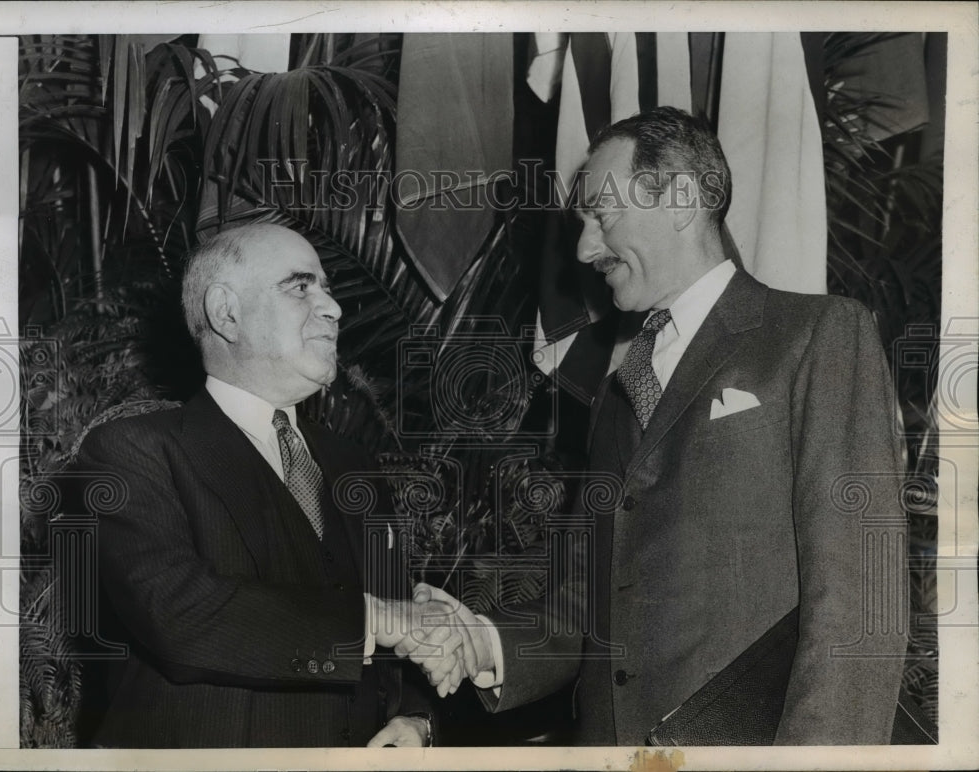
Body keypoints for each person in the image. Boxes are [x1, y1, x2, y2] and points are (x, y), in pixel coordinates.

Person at [399, 107, 908, 745]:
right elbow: (583, 603)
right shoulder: (618, 393)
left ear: (681, 199)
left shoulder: (816, 335)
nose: (585, 250)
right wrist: (480, 640)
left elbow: (861, 598)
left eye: (600, 216)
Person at [73, 223, 454, 748]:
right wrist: (380, 618)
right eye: (300, 286)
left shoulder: (354, 465)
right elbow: (180, 615)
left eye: (327, 288)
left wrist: (416, 720)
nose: (333, 308)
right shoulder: (132, 451)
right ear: (225, 312)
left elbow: (397, 639)